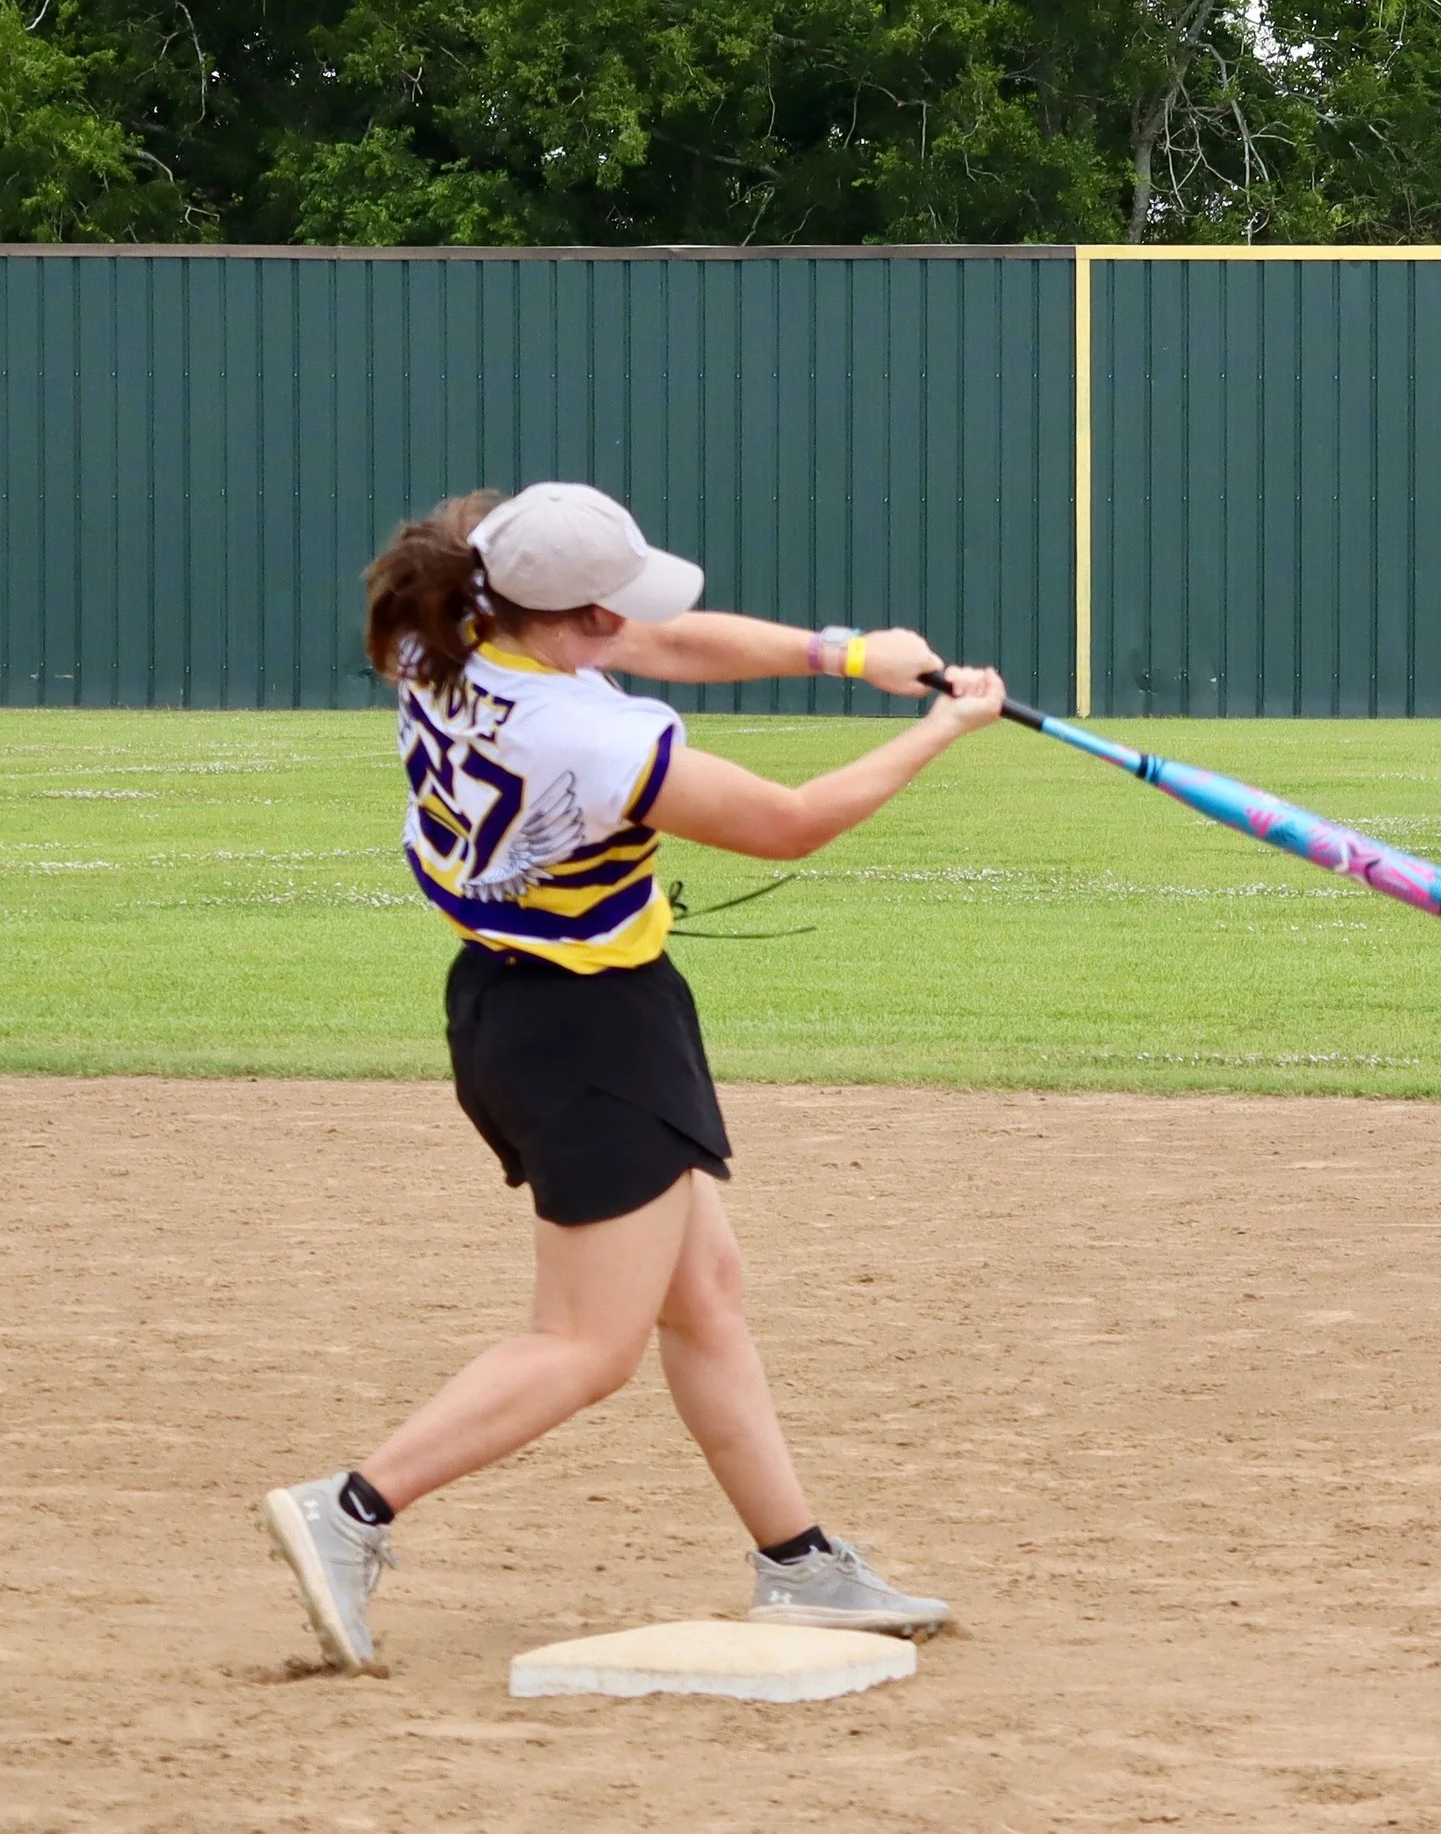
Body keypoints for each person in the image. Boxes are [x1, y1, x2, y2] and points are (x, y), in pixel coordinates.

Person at [257, 482, 1004, 1674]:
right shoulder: (592, 740)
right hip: (590, 1035)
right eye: (611, 608)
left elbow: (662, 640)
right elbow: (792, 820)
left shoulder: (440, 630)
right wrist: (941, 728)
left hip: (519, 1008)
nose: (629, 625)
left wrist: (847, 654)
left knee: (705, 1288)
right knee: (586, 1344)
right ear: (576, 615)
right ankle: (351, 1509)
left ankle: (799, 1562)